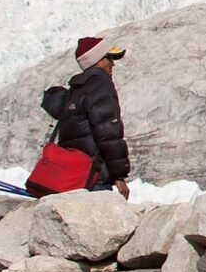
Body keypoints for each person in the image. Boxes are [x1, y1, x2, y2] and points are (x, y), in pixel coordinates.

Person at [31, 36, 133, 197]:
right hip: (95, 177)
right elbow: (108, 132)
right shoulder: (100, 83)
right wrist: (119, 175)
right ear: (98, 59)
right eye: (109, 58)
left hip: (76, 176)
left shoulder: (77, 88)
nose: (112, 63)